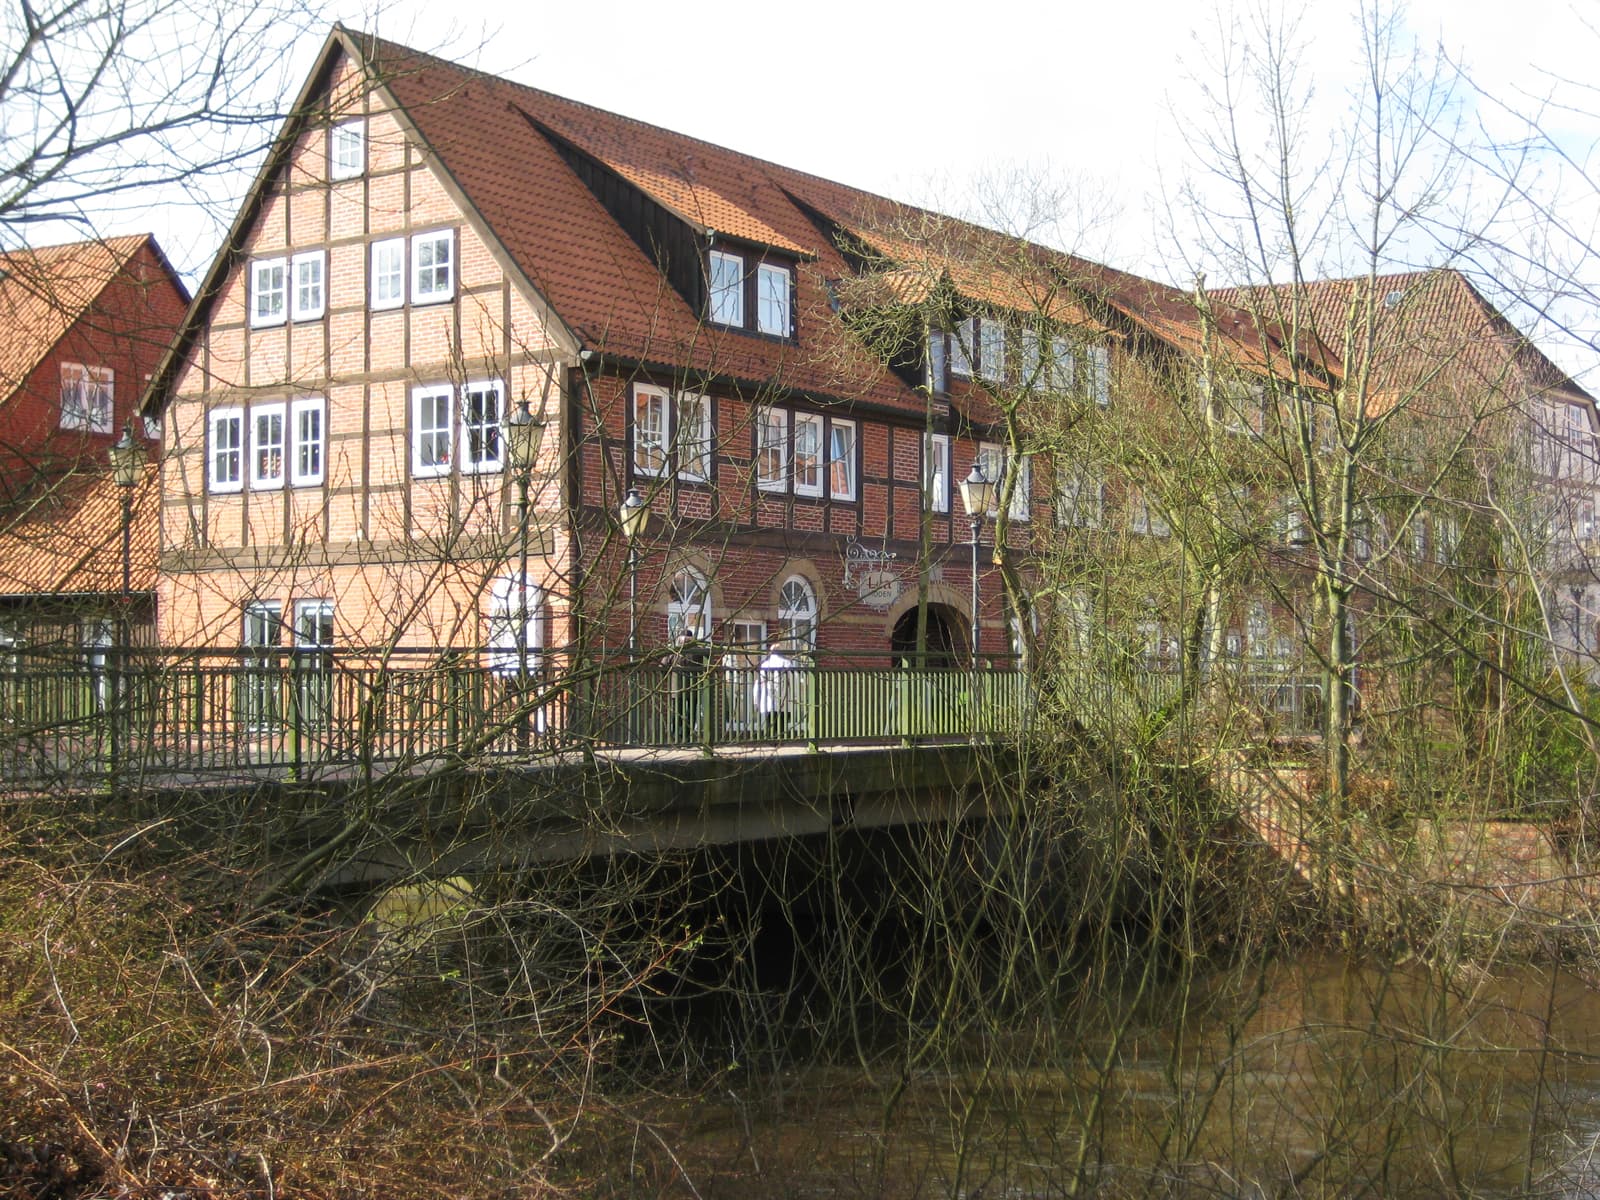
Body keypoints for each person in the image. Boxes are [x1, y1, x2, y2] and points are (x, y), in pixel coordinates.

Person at [752, 644, 796, 738]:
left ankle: (771, 738)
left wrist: (756, 700)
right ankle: (780, 738)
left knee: (770, 721)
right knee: (782, 721)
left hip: (768, 698)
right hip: (784, 698)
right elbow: (792, 681)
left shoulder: (765, 664)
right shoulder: (787, 663)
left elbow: (759, 683)